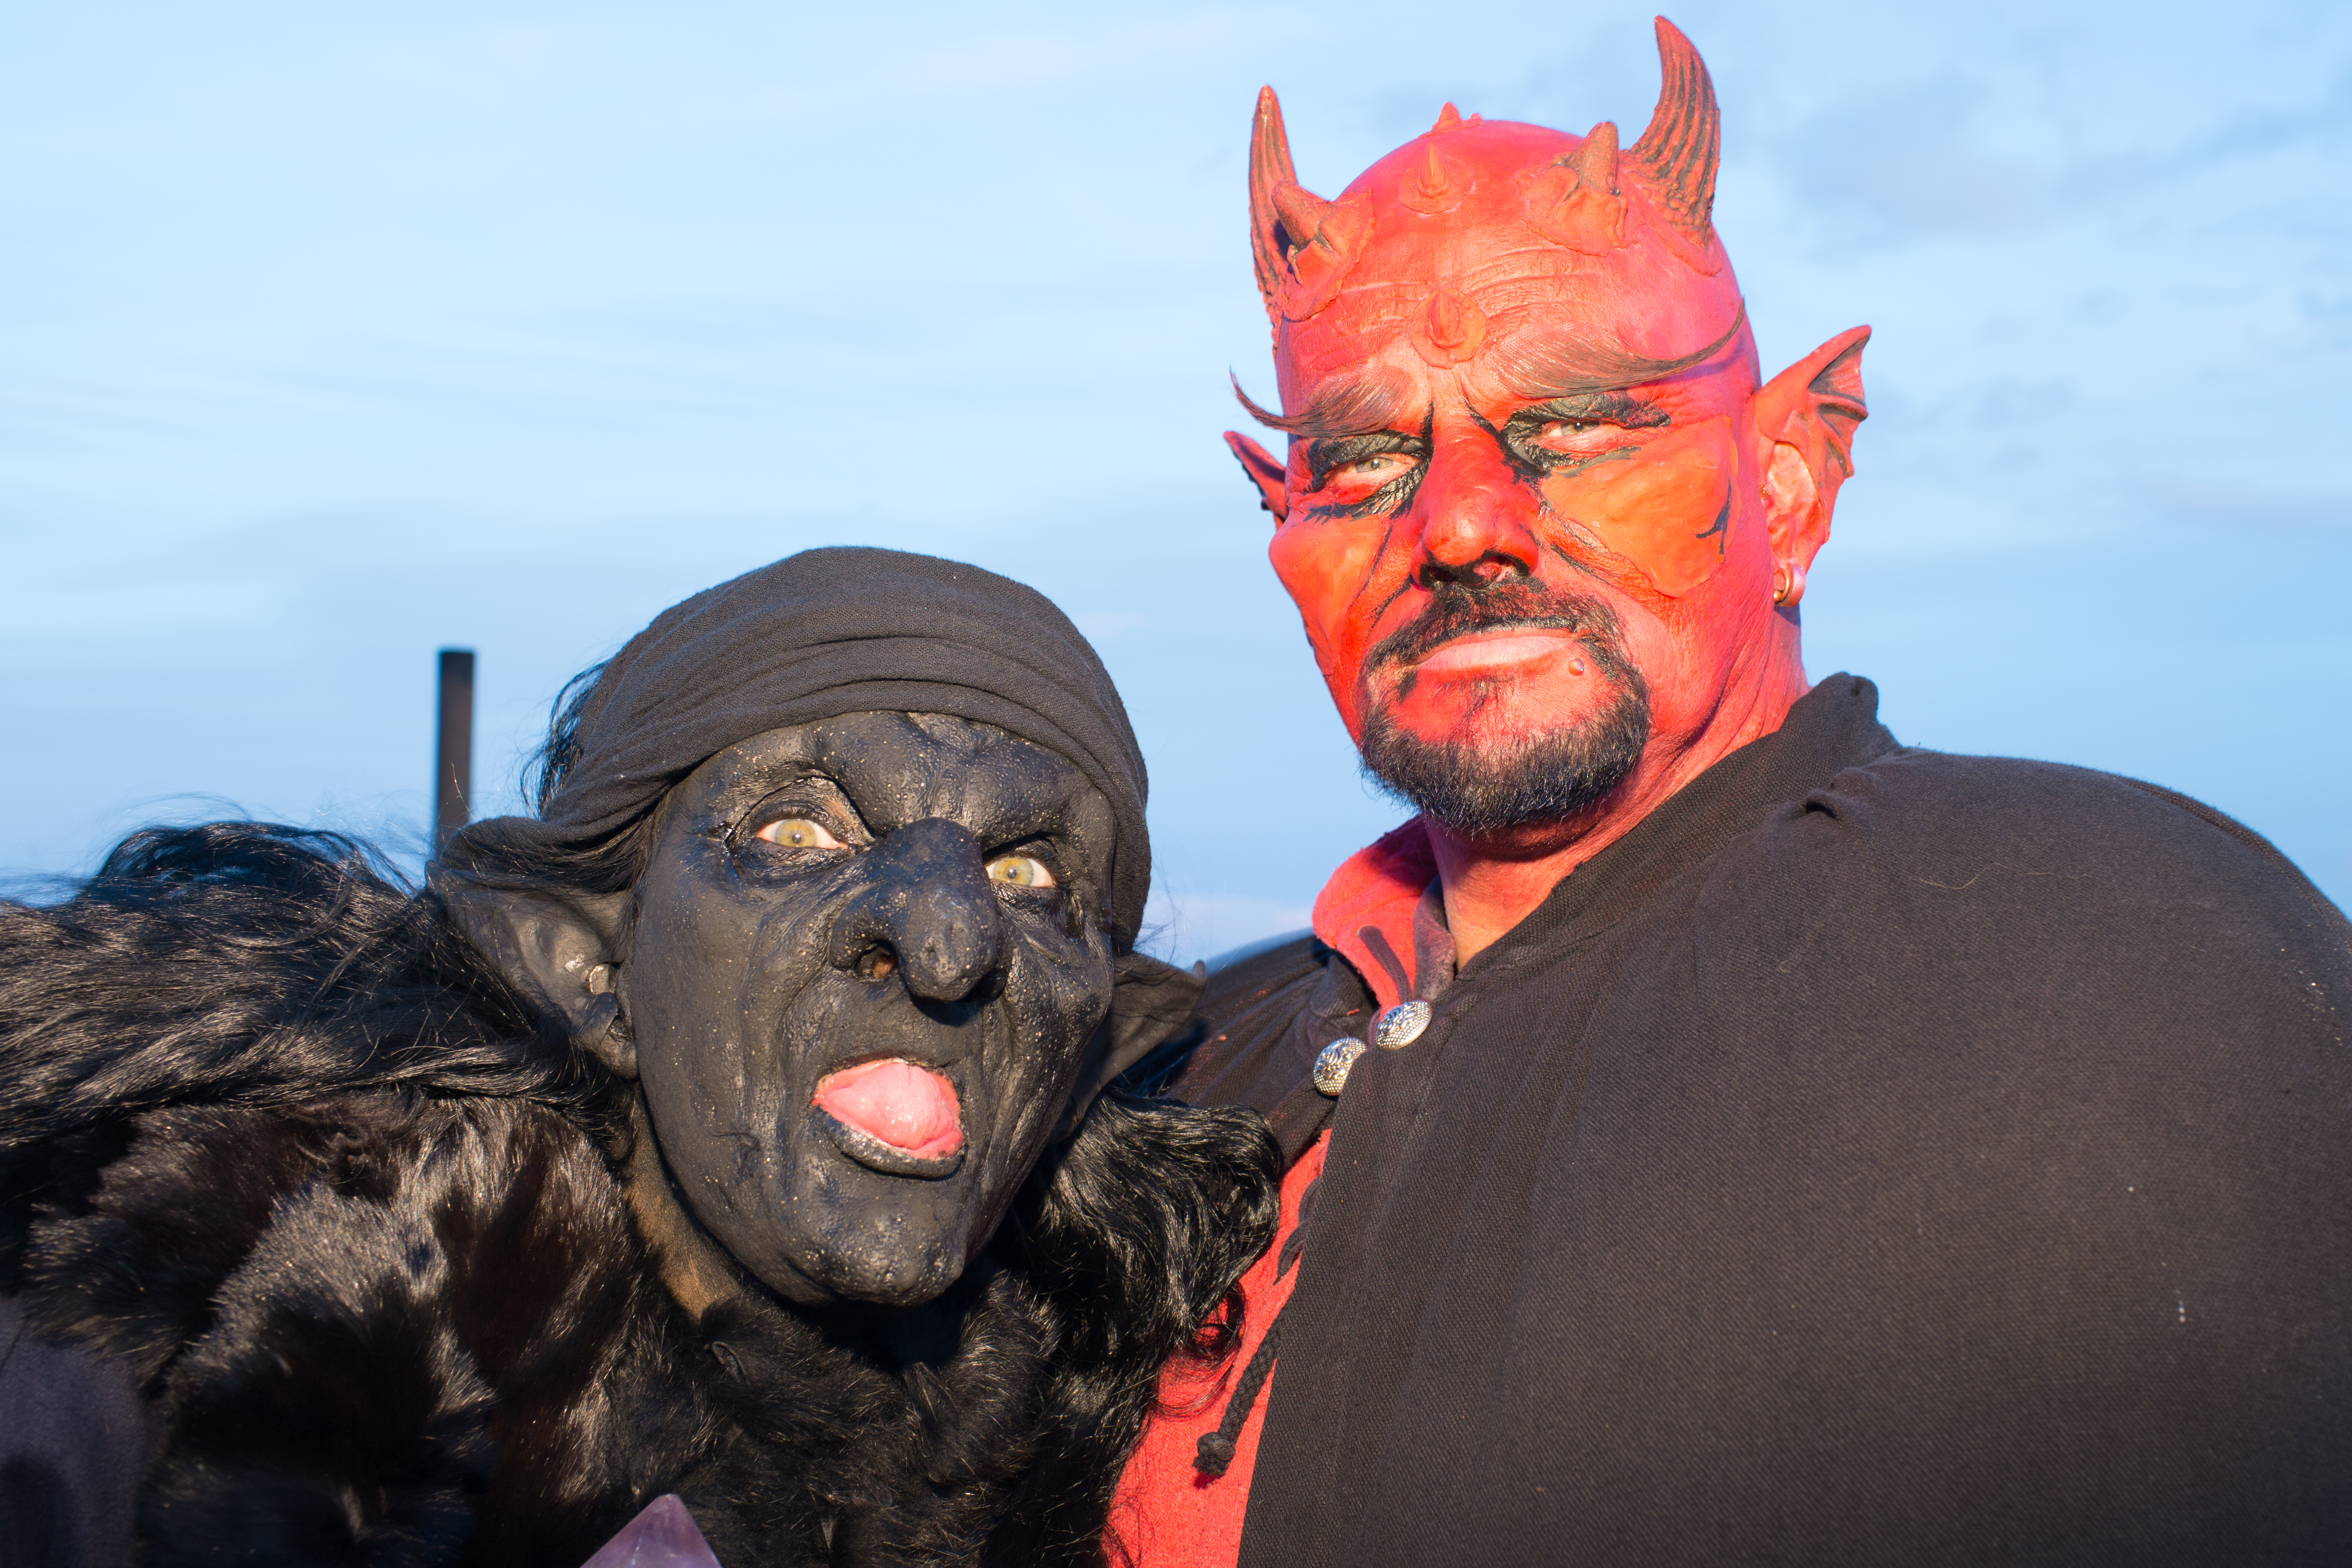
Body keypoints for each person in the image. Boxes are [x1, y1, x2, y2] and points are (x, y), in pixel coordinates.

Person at [1108, 20, 2352, 1566]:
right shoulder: (1197, 1063)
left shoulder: (2120, 961)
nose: (1462, 524)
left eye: (1576, 427)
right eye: (1362, 462)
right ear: (1282, 526)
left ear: (1790, 484)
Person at [0, 547, 1278, 1568]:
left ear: (1083, 1046)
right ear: (586, 966)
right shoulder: (151, 1347)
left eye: (1030, 875)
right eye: (798, 834)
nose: (951, 944)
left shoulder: (1096, 1450)